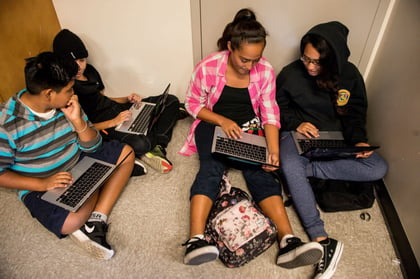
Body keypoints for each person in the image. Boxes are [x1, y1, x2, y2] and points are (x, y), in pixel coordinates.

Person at [179, 8, 323, 268]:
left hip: (249, 128)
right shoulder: (208, 66)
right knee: (211, 169)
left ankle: (288, 241)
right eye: (245, 59)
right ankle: (195, 240)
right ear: (229, 48)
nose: (250, 66)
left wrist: (273, 150)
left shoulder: (265, 71)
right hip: (212, 124)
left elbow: (269, 114)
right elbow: (191, 104)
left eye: (256, 59)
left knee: (262, 172)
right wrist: (222, 120)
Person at [276, 21, 388, 278]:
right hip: (297, 136)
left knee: (378, 167)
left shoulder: (350, 76)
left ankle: (307, 172)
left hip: (335, 140)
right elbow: (276, 108)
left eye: (317, 62)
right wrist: (296, 123)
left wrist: (359, 140)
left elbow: (356, 113)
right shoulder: (290, 74)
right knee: (291, 163)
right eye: (306, 58)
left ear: (333, 60)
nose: (310, 66)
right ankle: (322, 239)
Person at [0, 52, 136, 260]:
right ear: (48, 94)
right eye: (69, 90)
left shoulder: (69, 104)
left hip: (79, 159)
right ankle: (102, 180)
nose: (73, 94)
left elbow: (93, 145)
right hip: (41, 182)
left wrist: (78, 123)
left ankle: (97, 218)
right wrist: (43, 184)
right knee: (69, 223)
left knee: (126, 154)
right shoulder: (6, 124)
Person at [53, 29, 181, 174]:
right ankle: (152, 137)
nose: (79, 67)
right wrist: (113, 122)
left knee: (171, 101)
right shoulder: (67, 89)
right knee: (142, 143)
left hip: (118, 109)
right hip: (105, 125)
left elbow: (102, 98)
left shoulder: (90, 71)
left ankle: (158, 143)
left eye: (81, 60)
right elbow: (81, 128)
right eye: (72, 62)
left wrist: (126, 99)